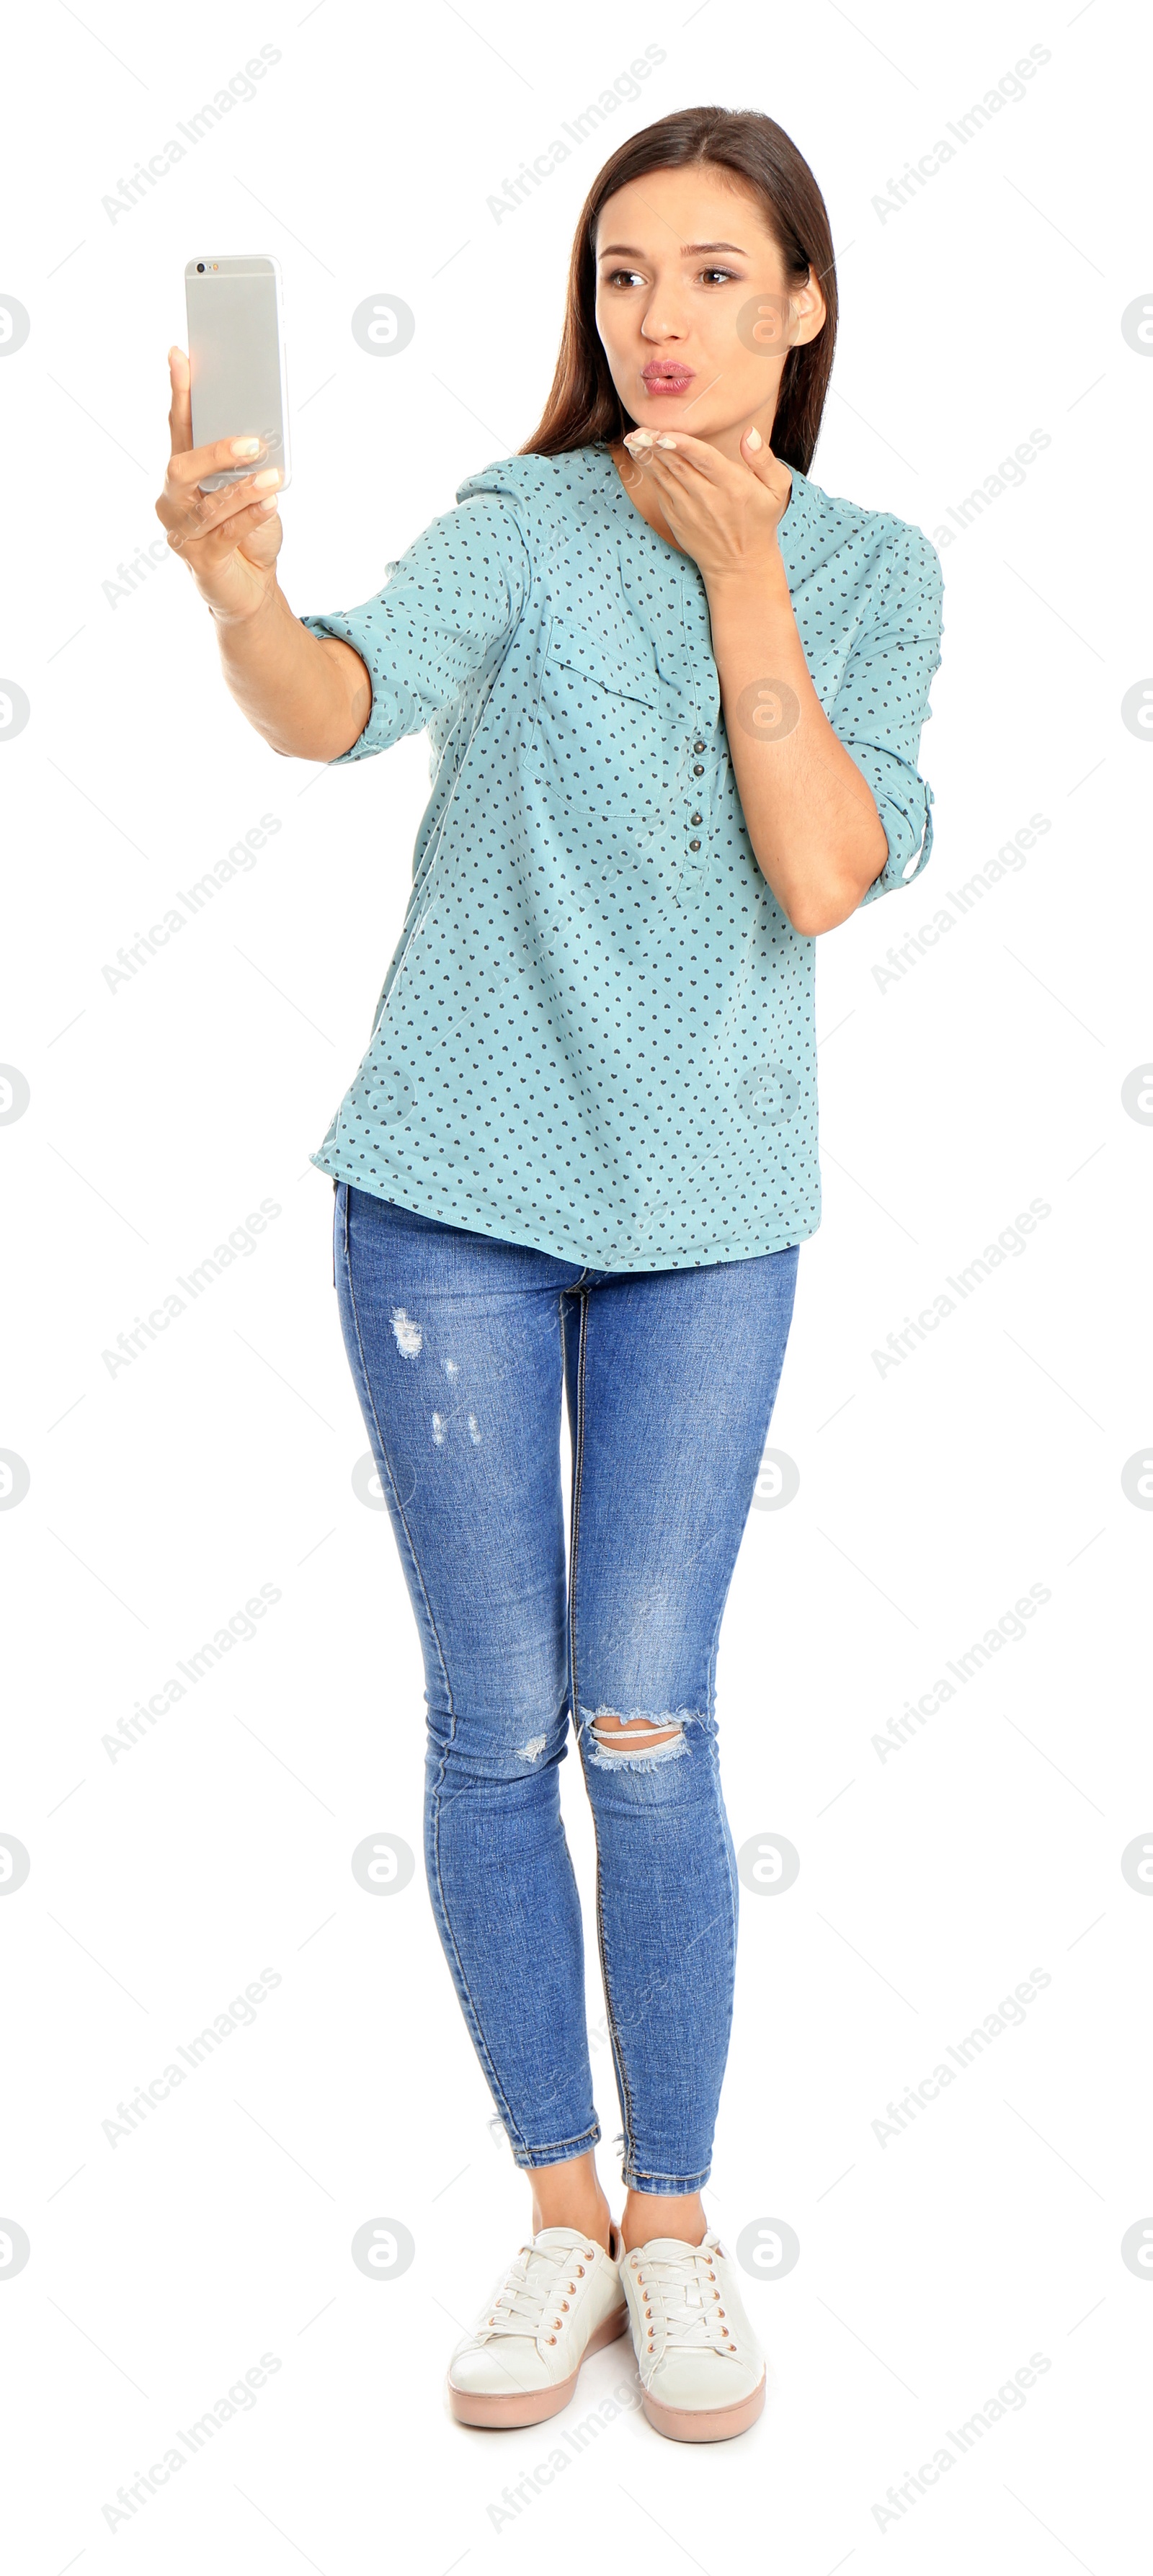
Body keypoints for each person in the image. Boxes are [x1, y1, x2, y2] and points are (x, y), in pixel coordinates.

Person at [156, 104, 943, 2443]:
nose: (659, 321)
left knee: (653, 1720)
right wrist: (236, 596)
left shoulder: (882, 572)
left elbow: (817, 874)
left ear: (801, 303)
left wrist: (745, 581)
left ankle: (680, 2235)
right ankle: (561, 2215)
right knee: (495, 1723)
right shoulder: (519, 524)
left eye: (711, 275)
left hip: (704, 1213)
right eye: (622, 277)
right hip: (448, 1198)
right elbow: (341, 701)